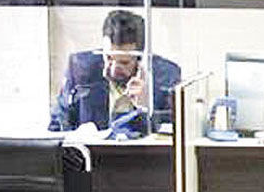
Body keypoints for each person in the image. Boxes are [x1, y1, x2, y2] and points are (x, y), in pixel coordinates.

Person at [48, 10, 181, 135]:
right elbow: (57, 126)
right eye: (109, 58)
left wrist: (147, 107)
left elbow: (174, 132)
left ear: (139, 57)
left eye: (124, 62)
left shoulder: (166, 76)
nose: (113, 69)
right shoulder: (80, 69)